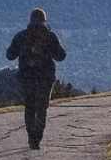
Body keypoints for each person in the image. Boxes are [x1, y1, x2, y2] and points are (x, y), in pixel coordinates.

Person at [5, 8, 67, 150]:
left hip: (26, 77)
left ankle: (31, 137)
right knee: (42, 108)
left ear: (30, 20)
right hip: (45, 77)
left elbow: (9, 55)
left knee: (30, 107)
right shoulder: (50, 36)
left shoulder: (21, 36)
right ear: (44, 20)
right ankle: (37, 137)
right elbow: (61, 56)